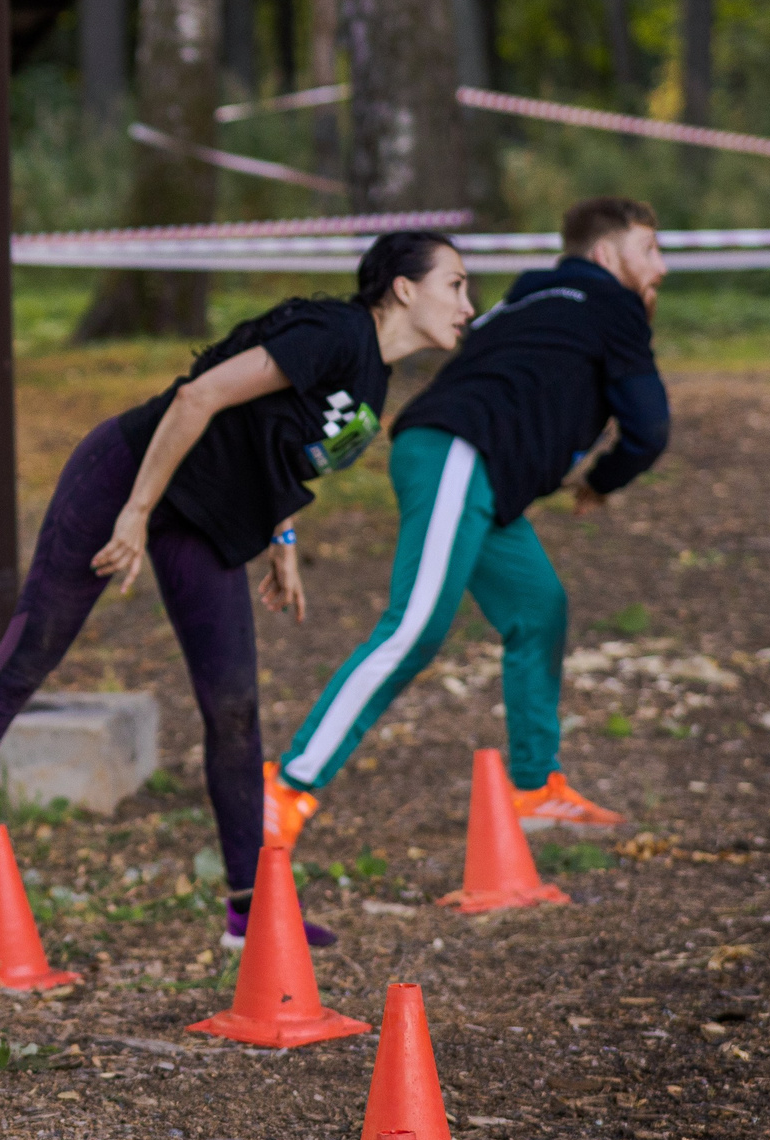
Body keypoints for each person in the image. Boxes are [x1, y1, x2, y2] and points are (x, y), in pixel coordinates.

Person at [0, 232, 477, 959]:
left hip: (206, 519)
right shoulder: (334, 332)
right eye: (456, 285)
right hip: (126, 475)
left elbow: (272, 442)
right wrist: (133, 511)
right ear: (404, 288)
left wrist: (281, 539)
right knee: (27, 659)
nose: (467, 305)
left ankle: (251, 909)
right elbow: (202, 394)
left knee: (233, 705)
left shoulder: (373, 377)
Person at [272, 197, 672, 832]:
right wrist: (599, 480)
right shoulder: (613, 305)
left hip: (472, 467)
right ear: (606, 255)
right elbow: (649, 428)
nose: (663, 266)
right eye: (649, 250)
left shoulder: (529, 298)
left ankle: (535, 790)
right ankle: (288, 788)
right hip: (457, 454)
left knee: (538, 606)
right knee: (417, 627)